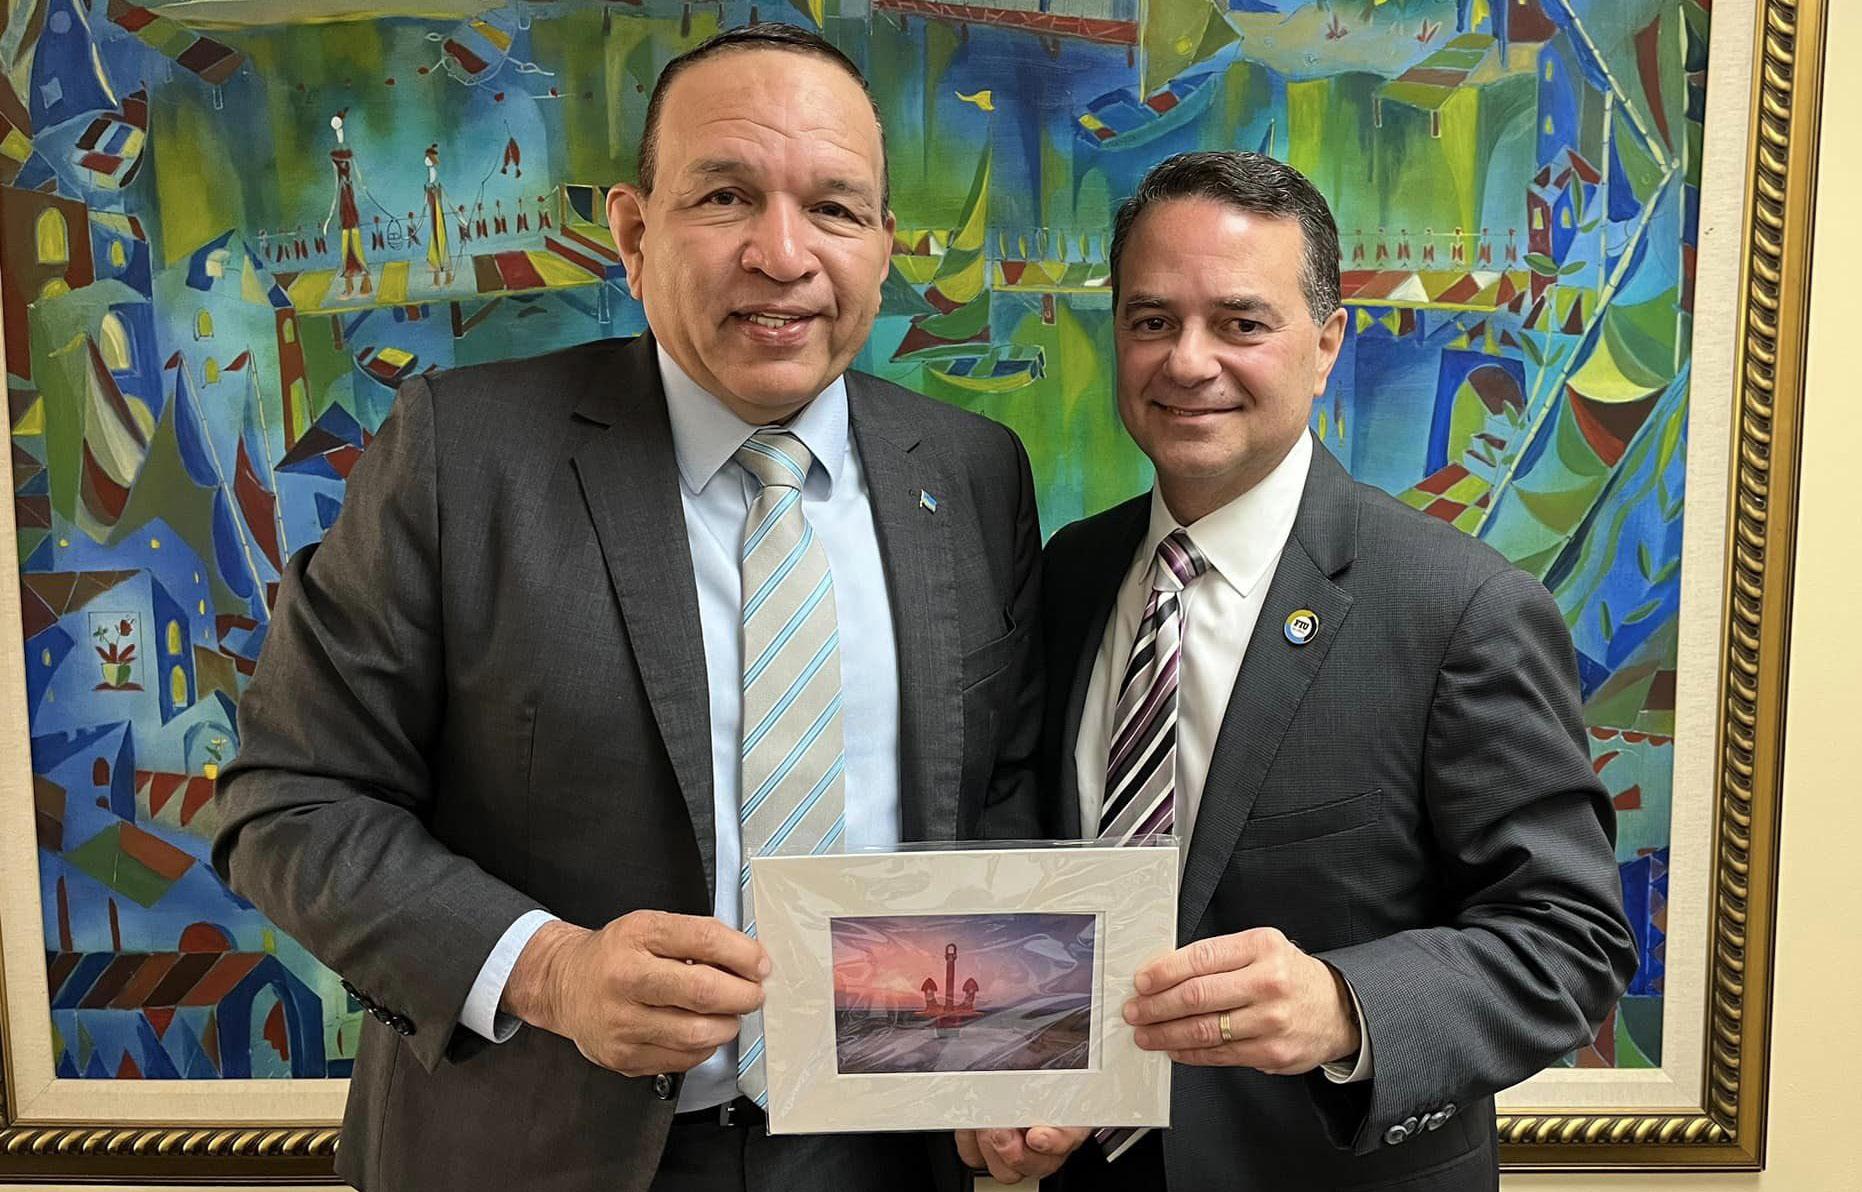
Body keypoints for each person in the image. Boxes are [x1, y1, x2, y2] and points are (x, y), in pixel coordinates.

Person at [213, 24, 1042, 1192]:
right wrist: (549, 969)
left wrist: (1006, 1045)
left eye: (834, 208)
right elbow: (288, 801)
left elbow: (997, 790)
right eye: (725, 196)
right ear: (634, 233)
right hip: (536, 1153)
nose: (782, 253)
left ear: (883, 245)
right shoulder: (459, 455)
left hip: (881, 1156)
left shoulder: (971, 470)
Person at [956, 151, 1633, 1190]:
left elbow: (1572, 942)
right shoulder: (1070, 575)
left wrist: (1343, 1007)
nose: (1187, 362)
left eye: (1240, 323)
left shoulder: (1461, 609)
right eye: (1151, 320)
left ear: (1325, 346)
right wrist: (1015, 1061)